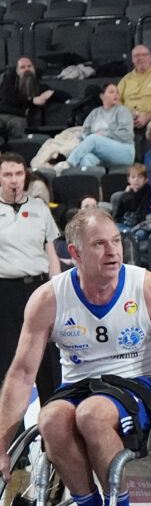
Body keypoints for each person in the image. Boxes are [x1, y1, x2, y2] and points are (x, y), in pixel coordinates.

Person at [0, 209, 151, 506]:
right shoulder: (49, 298)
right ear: (74, 253)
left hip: (140, 382)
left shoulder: (148, 287)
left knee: (92, 414)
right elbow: (21, 373)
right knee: (50, 419)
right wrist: (1, 442)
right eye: (99, 244)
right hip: (80, 384)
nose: (113, 251)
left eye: (117, 241)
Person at [0, 153, 62, 402]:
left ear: (25, 175)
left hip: (39, 290)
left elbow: (52, 255)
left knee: (48, 363)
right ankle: (13, 438)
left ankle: (55, 435)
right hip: (5, 293)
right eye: (7, 175)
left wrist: (58, 290)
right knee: (7, 365)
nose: (14, 180)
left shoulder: (39, 209)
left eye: (18, 174)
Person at [61, 84, 135, 171]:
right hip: (101, 152)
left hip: (124, 151)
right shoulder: (95, 113)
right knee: (86, 158)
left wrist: (104, 135)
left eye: (117, 92)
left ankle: (68, 164)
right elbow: (86, 131)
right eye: (111, 92)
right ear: (102, 96)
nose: (115, 95)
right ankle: (91, 182)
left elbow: (126, 134)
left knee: (94, 139)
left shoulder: (123, 111)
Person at [0, 57, 56, 147]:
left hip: (18, 118)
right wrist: (31, 100)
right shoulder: (9, 82)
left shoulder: (39, 86)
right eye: (23, 67)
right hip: (2, 114)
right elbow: (8, 98)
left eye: (29, 66)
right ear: (17, 71)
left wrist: (51, 93)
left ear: (34, 69)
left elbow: (64, 95)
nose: (26, 69)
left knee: (18, 125)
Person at [110, 164, 151, 228]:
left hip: (142, 224)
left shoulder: (149, 192)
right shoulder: (124, 196)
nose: (136, 180)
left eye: (140, 177)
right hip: (125, 223)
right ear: (128, 179)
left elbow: (144, 214)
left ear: (145, 180)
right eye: (133, 177)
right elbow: (118, 216)